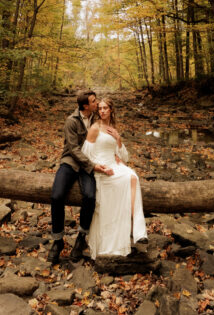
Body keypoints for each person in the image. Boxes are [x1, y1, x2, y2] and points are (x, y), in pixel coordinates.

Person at [48, 90, 113, 264]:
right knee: (56, 196)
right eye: (93, 102)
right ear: (85, 106)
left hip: (89, 165)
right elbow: (74, 149)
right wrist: (92, 166)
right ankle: (57, 240)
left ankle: (81, 238)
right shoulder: (71, 121)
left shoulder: (95, 119)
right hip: (70, 162)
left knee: (90, 197)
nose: (97, 104)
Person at [81, 98, 147, 257]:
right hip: (101, 169)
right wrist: (99, 167)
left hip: (114, 165)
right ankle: (126, 233)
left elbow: (125, 156)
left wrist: (118, 139)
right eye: (100, 108)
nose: (102, 111)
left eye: (105, 108)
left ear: (111, 110)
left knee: (133, 177)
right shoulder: (95, 128)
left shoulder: (112, 128)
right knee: (130, 179)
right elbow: (85, 154)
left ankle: (138, 231)